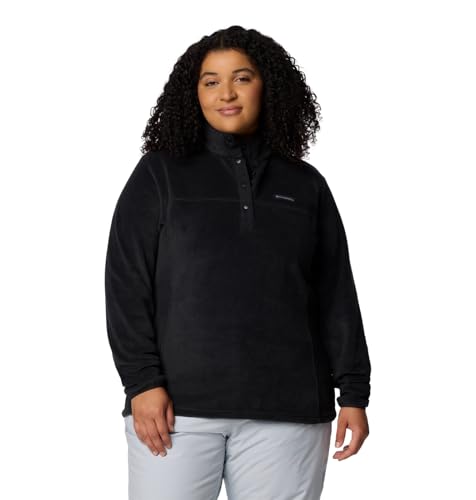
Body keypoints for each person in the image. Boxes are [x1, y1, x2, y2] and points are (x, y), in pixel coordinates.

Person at [105, 25, 371, 500]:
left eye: (242, 78)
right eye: (210, 81)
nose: (225, 93)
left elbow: (335, 295)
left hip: (289, 411)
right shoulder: (159, 174)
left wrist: (353, 391)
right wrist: (142, 382)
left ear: (268, 85)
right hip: (176, 411)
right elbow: (127, 285)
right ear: (194, 93)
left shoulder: (305, 184)